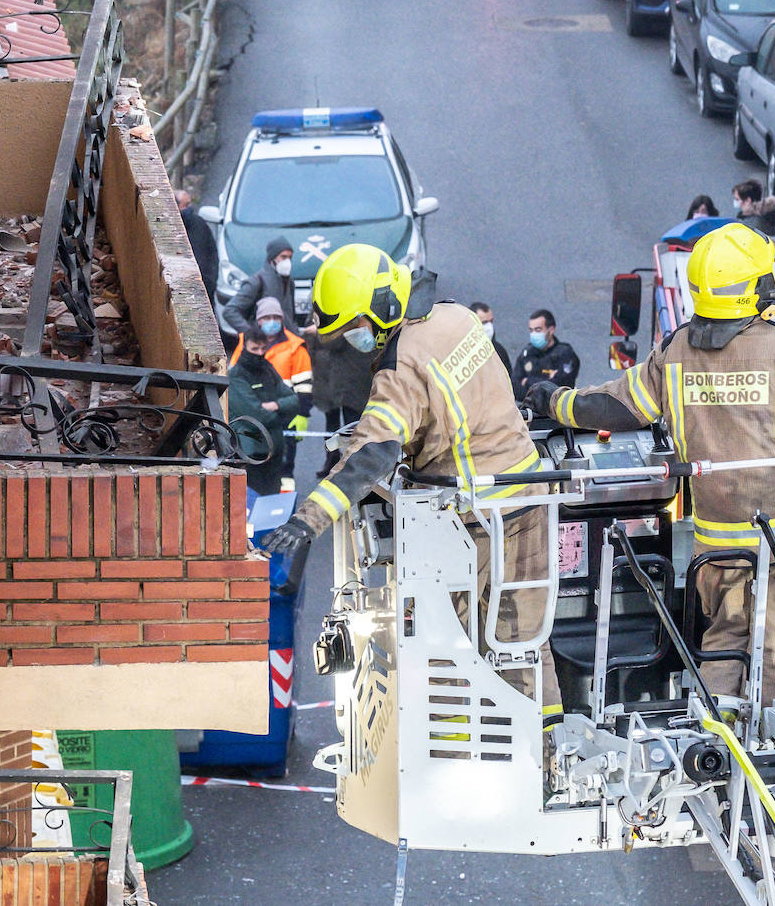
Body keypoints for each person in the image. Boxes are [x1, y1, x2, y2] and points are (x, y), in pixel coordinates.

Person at [524, 223, 775, 703]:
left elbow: (615, 406)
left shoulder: (676, 352)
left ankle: (714, 737)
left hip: (717, 549)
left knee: (723, 644)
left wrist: (556, 401)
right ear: (754, 288)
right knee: (773, 658)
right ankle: (767, 753)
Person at [265, 244, 561, 717]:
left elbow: (372, 454)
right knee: (523, 643)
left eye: (355, 327)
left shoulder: (399, 368)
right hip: (528, 497)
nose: (353, 340)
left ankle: (454, 755)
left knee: (444, 653)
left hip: (472, 520)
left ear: (380, 309)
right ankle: (546, 760)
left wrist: (308, 521)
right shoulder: (456, 317)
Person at [231, 296, 313, 487]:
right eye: (266, 318)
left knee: (284, 472)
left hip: (288, 420)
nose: (271, 322)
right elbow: (236, 384)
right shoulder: (246, 343)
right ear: (258, 321)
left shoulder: (295, 346)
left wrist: (301, 413)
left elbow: (304, 386)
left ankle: (283, 512)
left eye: (276, 317)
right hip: (261, 426)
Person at [229, 325, 302, 496]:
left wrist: (275, 405)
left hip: (274, 450)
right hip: (251, 453)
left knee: (271, 504)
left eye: (263, 348)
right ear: (245, 346)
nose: (260, 353)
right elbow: (255, 417)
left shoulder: (267, 369)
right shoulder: (236, 376)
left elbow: (294, 401)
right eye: (255, 348)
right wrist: (281, 413)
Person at [221, 237, 298, 334]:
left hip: (285, 343)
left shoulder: (289, 282)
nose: (287, 262)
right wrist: (251, 334)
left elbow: (290, 316)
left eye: (290, 258)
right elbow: (230, 311)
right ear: (272, 258)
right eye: (283, 257)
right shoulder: (256, 282)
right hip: (262, 344)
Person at [512, 309, 580, 402]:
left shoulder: (565, 354)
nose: (534, 334)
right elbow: (515, 387)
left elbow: (559, 389)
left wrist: (527, 381)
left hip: (555, 412)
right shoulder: (527, 353)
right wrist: (546, 382)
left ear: (551, 330)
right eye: (531, 330)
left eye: (538, 330)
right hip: (529, 411)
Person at [175, 189, 219, 305]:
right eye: (186, 205)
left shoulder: (199, 224)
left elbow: (212, 253)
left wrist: (211, 281)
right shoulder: (171, 231)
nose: (190, 208)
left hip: (205, 288)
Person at [470, 301, 512, 372]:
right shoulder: (462, 351)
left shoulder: (499, 351)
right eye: (484, 322)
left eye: (491, 321)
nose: (489, 326)